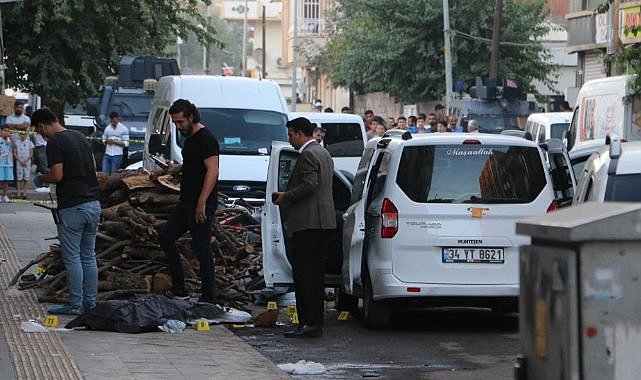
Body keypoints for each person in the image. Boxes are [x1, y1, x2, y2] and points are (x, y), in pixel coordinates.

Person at [31, 108, 101, 315]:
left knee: (72, 258)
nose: (40, 134)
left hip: (72, 206)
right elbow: (93, 165)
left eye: (38, 130)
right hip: (93, 204)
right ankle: (91, 302)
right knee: (88, 255)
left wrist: (42, 177)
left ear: (42, 126)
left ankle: (75, 304)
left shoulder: (54, 143)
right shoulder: (79, 137)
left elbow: (57, 175)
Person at [273, 117, 335, 338]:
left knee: (304, 275)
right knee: (316, 276)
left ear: (300, 133)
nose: (289, 141)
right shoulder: (322, 152)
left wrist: (286, 197)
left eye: (290, 135)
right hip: (323, 222)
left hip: (308, 224)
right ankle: (314, 322)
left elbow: (310, 185)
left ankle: (308, 322)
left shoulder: (308, 155)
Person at [158, 99, 220, 304]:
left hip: (200, 203)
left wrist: (202, 201)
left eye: (181, 122)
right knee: (166, 237)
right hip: (185, 202)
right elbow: (193, 165)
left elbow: (213, 170)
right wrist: (175, 169)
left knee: (202, 247)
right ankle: (179, 288)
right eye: (175, 123)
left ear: (191, 117)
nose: (178, 127)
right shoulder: (190, 139)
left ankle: (208, 297)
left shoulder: (206, 139)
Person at [13, 131, 34, 199]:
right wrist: (20, 160)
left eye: (24, 134)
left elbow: (31, 153)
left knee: (26, 178)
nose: (22, 136)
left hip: (27, 162)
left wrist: (26, 160)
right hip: (19, 162)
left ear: (26, 135)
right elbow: (15, 153)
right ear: (19, 135)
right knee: (19, 178)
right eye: (21, 134)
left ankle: (24, 193)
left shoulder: (29, 142)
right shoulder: (16, 142)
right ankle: (18, 193)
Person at [0, 127, 14, 202]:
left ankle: (5, 195)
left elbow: (15, 147)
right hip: (0, 163)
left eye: (8, 131)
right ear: (1, 132)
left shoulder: (10, 141)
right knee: (0, 180)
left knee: (6, 181)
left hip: (8, 163)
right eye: (5, 131)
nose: (7, 132)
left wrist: (11, 138)